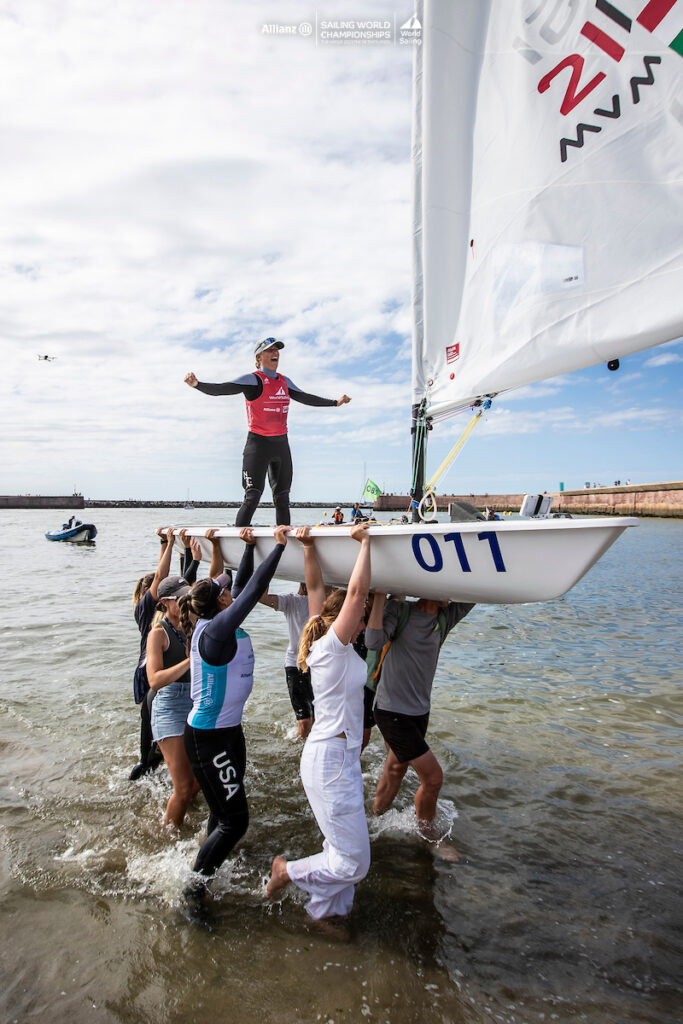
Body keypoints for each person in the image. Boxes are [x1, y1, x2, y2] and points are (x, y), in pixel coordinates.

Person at [266, 523, 372, 922]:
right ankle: (287, 871)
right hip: (331, 762)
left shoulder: (322, 643)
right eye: (357, 618)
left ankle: (325, 916)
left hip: (333, 758)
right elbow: (358, 594)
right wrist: (366, 544)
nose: (361, 623)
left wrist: (309, 548)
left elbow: (314, 591)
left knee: (339, 849)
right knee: (353, 864)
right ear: (345, 616)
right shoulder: (332, 647)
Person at [180, 525, 291, 888]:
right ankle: (194, 889)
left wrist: (248, 549)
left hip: (230, 732)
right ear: (221, 603)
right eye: (224, 591)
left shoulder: (218, 619)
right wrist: (277, 547)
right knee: (236, 821)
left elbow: (242, 587)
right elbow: (253, 591)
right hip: (207, 737)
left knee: (223, 811)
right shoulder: (215, 633)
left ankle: (208, 862)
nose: (229, 591)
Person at [184, 338, 351, 526]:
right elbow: (222, 389)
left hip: (281, 446)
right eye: (270, 350)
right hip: (258, 445)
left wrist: (335, 402)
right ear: (258, 356)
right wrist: (198, 384)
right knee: (252, 496)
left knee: (282, 499)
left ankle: (284, 543)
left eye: (277, 350)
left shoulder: (284, 382)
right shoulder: (252, 380)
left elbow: (305, 397)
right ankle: (240, 540)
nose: (275, 353)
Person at [366, 593, 474, 844]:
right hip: (391, 711)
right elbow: (373, 641)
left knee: (395, 769)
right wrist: (381, 595)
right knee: (433, 778)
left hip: (419, 713)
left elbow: (475, 593)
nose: (452, 593)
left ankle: (374, 819)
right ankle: (429, 838)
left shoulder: (445, 617)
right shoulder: (401, 611)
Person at [147, 574, 200, 828]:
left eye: (188, 597)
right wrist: (190, 661)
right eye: (181, 598)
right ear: (166, 602)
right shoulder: (159, 633)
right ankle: (168, 836)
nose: (186, 602)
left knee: (201, 779)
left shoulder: (194, 624)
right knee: (183, 787)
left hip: (195, 701)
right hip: (169, 704)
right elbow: (155, 680)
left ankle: (188, 816)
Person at [129, 528, 175, 781]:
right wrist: (170, 543)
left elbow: (163, 575)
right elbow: (162, 575)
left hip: (146, 670)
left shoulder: (159, 609)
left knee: (153, 720)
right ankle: (147, 763)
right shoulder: (147, 607)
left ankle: (152, 761)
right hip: (146, 673)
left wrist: (164, 544)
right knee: (151, 721)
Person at [259, 583, 315, 738]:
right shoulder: (291, 601)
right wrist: (268, 572)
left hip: (318, 665)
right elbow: (261, 598)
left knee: (317, 720)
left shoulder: (325, 600)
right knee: (304, 722)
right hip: (295, 664)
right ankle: (300, 755)